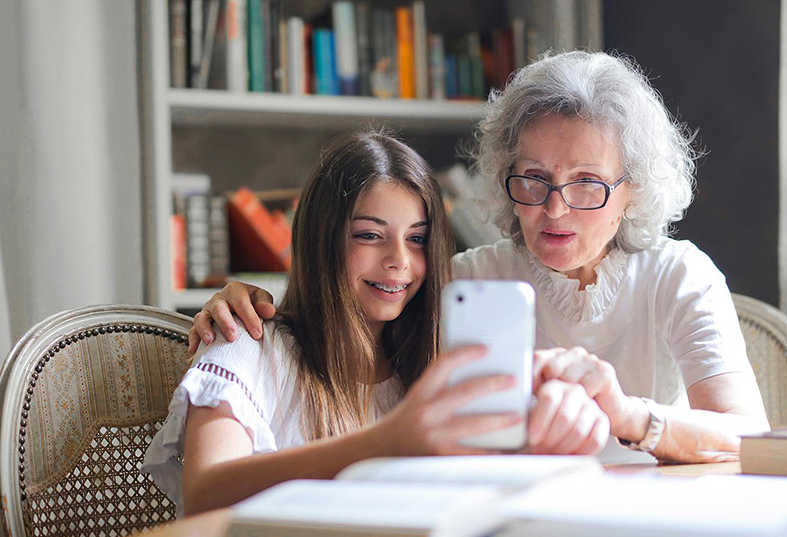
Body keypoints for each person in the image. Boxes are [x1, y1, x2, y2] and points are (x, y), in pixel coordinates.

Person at [192, 51, 770, 465]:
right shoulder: (465, 281)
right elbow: (348, 314)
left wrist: (627, 416)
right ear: (504, 176)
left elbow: (748, 436)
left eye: (587, 184)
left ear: (633, 191)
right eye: (534, 179)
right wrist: (243, 301)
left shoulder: (678, 274)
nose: (555, 210)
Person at [143, 129, 609, 516]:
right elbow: (205, 493)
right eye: (369, 236)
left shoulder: (431, 363)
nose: (399, 262)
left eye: (418, 239)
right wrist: (387, 442)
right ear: (320, 240)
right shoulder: (247, 343)